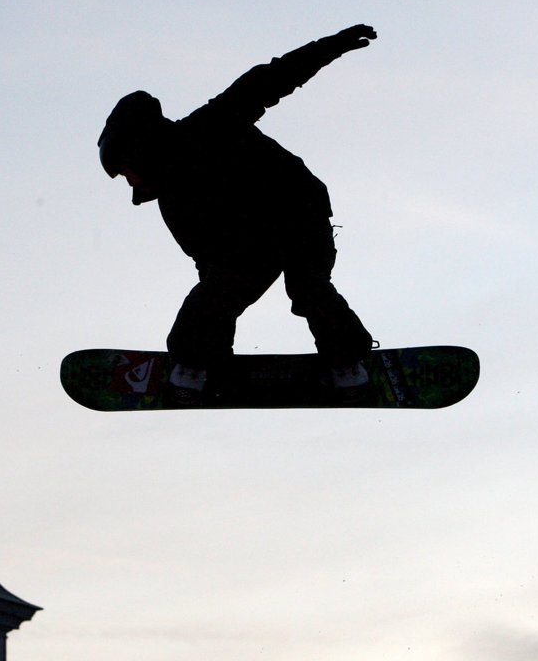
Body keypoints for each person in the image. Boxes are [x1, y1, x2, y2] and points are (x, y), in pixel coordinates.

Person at [97, 25, 378, 402]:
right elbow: (207, 262)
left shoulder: (212, 124)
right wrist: (212, 348)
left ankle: (346, 363)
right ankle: (197, 363)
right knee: (216, 293)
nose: (127, 178)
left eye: (124, 167)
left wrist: (333, 46)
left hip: (298, 215)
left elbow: (272, 79)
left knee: (310, 288)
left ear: (141, 145)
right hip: (248, 246)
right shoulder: (173, 200)